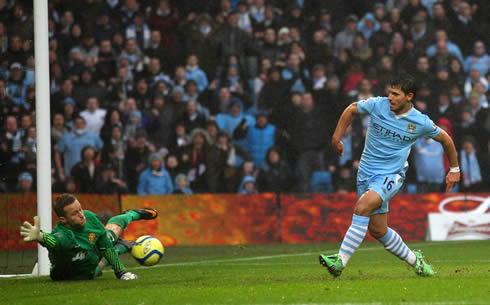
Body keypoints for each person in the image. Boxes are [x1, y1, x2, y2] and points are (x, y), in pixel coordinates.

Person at [319, 76, 460, 278]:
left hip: (391, 175)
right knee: (377, 230)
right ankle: (415, 261)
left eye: (395, 94)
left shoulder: (420, 121)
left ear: (409, 96)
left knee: (362, 207)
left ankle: (340, 260)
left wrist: (454, 170)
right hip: (365, 173)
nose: (390, 97)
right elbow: (351, 109)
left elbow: (446, 140)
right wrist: (336, 137)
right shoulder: (378, 105)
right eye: (389, 92)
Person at [20, 193, 159, 280]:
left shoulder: (90, 218)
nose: (82, 215)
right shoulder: (64, 236)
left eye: (80, 209)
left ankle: (132, 214)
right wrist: (40, 236)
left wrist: (121, 272)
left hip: (90, 257)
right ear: (63, 220)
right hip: (75, 275)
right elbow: (53, 241)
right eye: (75, 213)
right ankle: (121, 247)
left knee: (112, 233)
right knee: (101, 262)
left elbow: (107, 249)